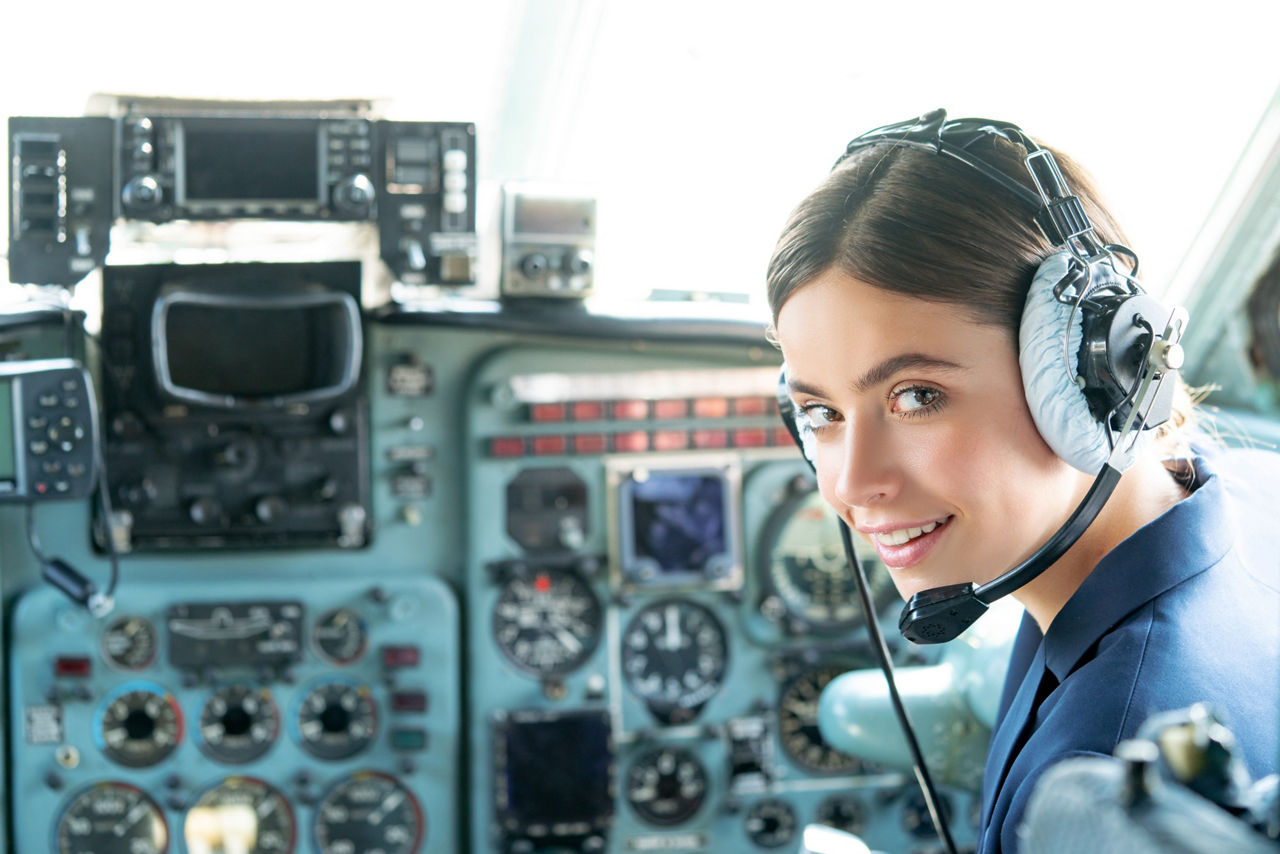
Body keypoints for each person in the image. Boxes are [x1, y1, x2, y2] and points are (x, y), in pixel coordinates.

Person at [765, 111, 1280, 853]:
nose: (850, 483)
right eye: (820, 411)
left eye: (916, 396)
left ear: (1091, 376)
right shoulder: (1247, 491)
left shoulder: (1100, 782)